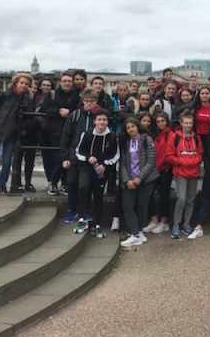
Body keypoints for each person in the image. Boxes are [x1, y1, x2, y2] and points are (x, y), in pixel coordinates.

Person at [0, 73, 33, 195]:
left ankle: (2, 186)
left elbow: (28, 119)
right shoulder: (3, 95)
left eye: (26, 84)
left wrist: (17, 129)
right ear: (16, 83)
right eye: (22, 83)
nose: (24, 86)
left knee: (6, 161)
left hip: (11, 134)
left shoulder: (26, 100)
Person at [73, 109, 120, 238]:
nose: (101, 122)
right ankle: (82, 219)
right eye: (99, 119)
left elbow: (116, 155)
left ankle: (96, 224)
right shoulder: (87, 134)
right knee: (83, 188)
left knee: (98, 195)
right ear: (94, 121)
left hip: (101, 170)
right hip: (87, 167)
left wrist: (105, 164)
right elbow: (78, 151)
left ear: (107, 121)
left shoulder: (112, 136)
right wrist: (88, 157)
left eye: (104, 120)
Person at [60, 88, 101, 223]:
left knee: (86, 186)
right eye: (87, 101)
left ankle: (85, 210)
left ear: (96, 101)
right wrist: (65, 157)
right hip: (74, 156)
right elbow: (66, 136)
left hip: (90, 157)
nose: (89, 103)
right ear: (83, 101)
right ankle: (72, 209)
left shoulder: (98, 117)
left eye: (92, 101)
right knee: (72, 184)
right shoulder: (75, 115)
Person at [119, 117, 160, 248]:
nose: (131, 129)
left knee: (143, 206)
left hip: (146, 179)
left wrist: (140, 178)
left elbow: (151, 160)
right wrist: (127, 180)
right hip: (130, 179)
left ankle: (138, 232)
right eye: (128, 127)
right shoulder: (125, 142)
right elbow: (123, 164)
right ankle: (135, 234)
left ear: (137, 127)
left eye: (133, 126)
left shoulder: (146, 139)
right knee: (128, 207)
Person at [42, 72, 81, 195]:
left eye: (69, 81)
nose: (67, 83)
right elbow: (45, 109)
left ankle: (64, 183)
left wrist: (69, 111)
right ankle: (54, 183)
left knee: (67, 158)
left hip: (70, 131)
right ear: (60, 82)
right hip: (56, 131)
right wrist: (59, 111)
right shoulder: (52, 94)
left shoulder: (76, 95)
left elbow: (79, 109)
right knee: (58, 158)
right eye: (65, 81)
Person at [167, 111, 203, 238]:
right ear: (181, 124)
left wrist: (194, 161)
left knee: (190, 199)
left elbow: (200, 153)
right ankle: (176, 224)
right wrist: (182, 161)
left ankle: (186, 223)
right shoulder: (174, 137)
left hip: (193, 172)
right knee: (181, 199)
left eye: (190, 123)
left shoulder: (196, 138)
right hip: (181, 172)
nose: (188, 125)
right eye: (186, 123)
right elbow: (169, 156)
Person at [142, 111, 173, 235]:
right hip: (154, 169)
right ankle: (154, 220)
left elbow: (167, 153)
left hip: (165, 169)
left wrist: (157, 166)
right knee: (148, 194)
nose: (160, 123)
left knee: (165, 195)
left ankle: (164, 222)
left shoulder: (171, 135)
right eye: (158, 121)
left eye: (162, 121)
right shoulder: (154, 135)